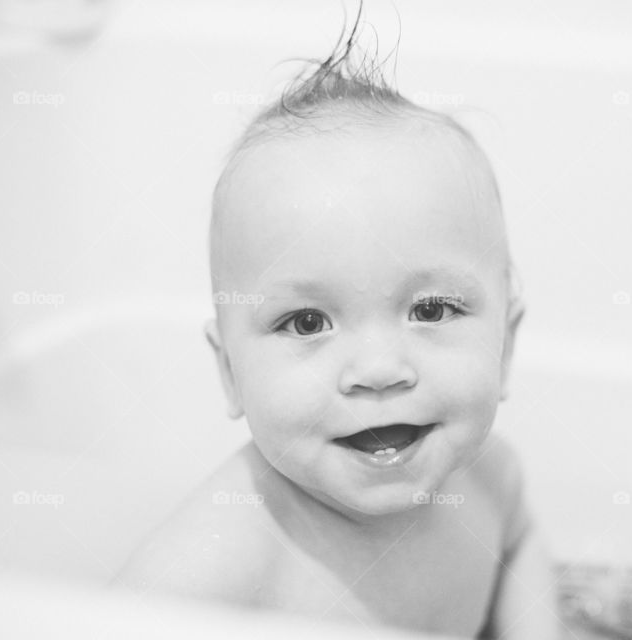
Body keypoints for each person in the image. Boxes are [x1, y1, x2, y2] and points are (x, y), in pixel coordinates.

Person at [116, 12, 559, 639]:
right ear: (230, 374)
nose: (378, 370)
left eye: (431, 310)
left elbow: (519, 541)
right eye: (306, 322)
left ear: (506, 345)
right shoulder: (217, 562)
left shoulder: (489, 480)